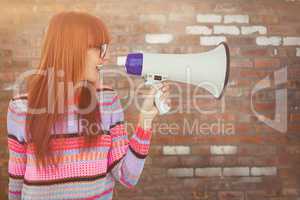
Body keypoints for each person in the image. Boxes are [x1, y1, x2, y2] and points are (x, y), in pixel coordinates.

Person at [7, 11, 170, 200]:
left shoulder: (107, 101)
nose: (105, 58)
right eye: (99, 48)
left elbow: (127, 177)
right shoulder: (21, 107)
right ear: (72, 49)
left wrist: (145, 122)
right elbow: (16, 182)